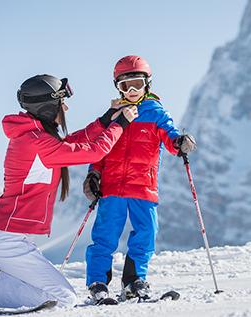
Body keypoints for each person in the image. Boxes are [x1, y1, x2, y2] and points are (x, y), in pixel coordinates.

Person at [0, 74, 139, 309]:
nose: (65, 107)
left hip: (11, 238)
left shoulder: (36, 138)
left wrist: (106, 119)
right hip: (9, 241)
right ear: (46, 108)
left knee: (52, 293)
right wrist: (120, 125)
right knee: (64, 299)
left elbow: (75, 142)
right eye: (61, 102)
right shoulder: (35, 142)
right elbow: (93, 152)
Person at [83, 55, 197, 303]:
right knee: (105, 235)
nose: (132, 90)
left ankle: (134, 281)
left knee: (146, 232)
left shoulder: (155, 113)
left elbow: (169, 136)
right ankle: (98, 282)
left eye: (137, 83)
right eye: (126, 86)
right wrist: (94, 173)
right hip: (112, 187)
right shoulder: (113, 115)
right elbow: (101, 148)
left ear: (148, 84)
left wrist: (179, 143)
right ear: (118, 88)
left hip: (142, 186)